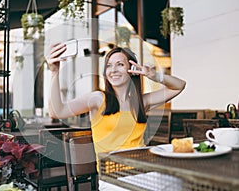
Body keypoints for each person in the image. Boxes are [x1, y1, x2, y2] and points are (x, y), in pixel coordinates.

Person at [45, 43, 186, 190]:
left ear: (131, 70)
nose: (113, 70)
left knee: (179, 183)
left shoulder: (141, 102)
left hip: (143, 171)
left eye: (120, 64)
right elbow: (57, 111)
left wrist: (155, 76)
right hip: (113, 177)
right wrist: (55, 72)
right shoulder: (98, 99)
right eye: (109, 66)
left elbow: (179, 86)